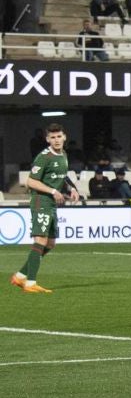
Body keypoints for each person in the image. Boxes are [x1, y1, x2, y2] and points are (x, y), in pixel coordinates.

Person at [11, 122, 80, 293]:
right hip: (41, 201)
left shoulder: (63, 153)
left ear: (64, 137)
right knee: (40, 240)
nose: (56, 140)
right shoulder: (44, 157)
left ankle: (20, 276)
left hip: (51, 202)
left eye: (59, 137)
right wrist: (52, 190)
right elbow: (30, 181)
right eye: (53, 137)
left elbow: (61, 176)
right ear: (47, 139)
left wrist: (71, 188)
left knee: (50, 243)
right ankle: (30, 283)